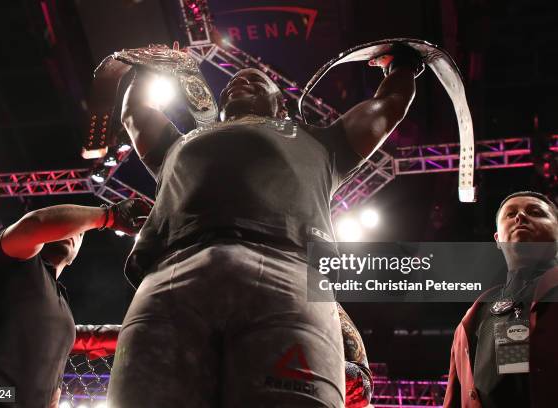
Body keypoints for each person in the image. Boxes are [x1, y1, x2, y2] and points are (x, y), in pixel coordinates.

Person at [108, 44, 422, 407]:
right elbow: (134, 113)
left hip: (287, 273)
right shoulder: (176, 144)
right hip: (173, 272)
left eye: (255, 81)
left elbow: (388, 107)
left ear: (281, 104)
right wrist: (148, 67)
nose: (239, 83)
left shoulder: (323, 142)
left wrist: (403, 64)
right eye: (231, 85)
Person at [0, 199, 150, 408]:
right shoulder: (11, 262)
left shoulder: (64, 309)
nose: (71, 233)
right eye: (67, 225)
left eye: (78, 232)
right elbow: (35, 224)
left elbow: (49, 386)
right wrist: (109, 216)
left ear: (76, 253)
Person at [444, 191, 558, 408]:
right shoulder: (473, 318)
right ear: (497, 239)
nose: (521, 217)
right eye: (511, 213)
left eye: (535, 212)